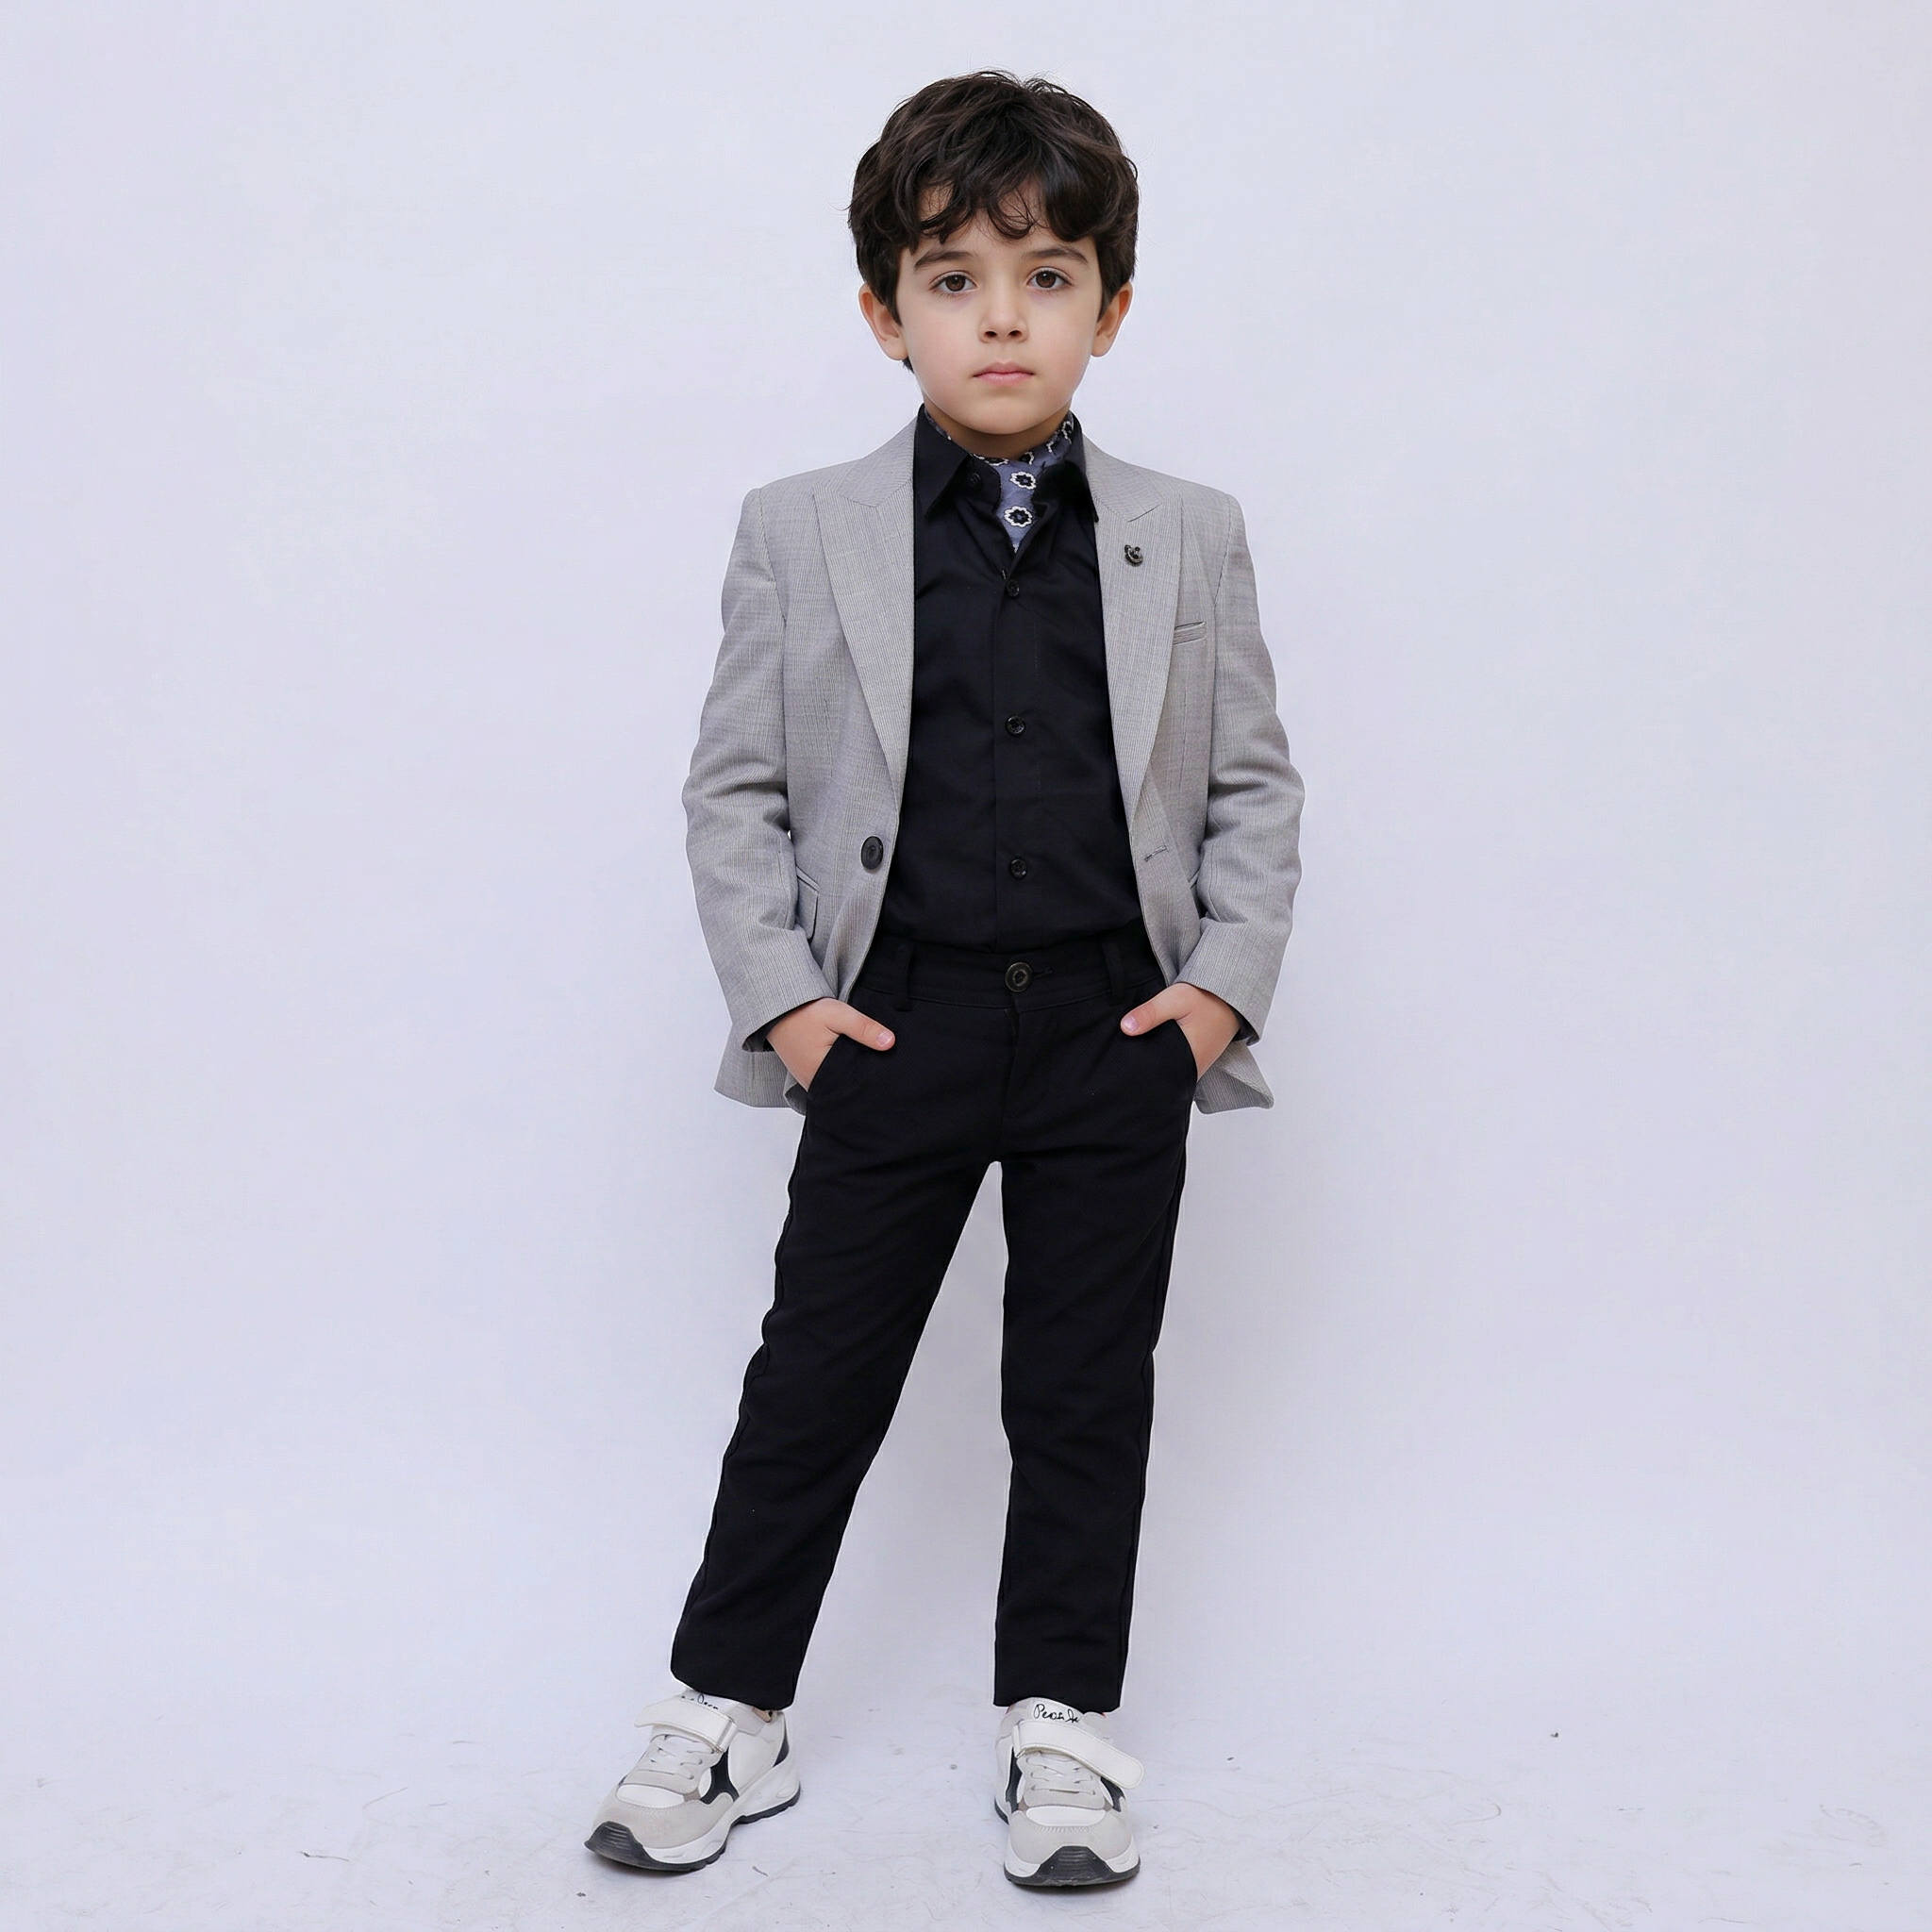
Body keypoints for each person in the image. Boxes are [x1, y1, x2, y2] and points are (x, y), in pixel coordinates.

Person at [586, 70, 1304, 1890]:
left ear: (1109, 310)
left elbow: (1251, 785)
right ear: (884, 311)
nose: (1002, 316)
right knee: (813, 1380)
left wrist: (1214, 996)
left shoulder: (1189, 530)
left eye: (1047, 277)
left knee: (1082, 1389)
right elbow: (734, 792)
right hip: (891, 1023)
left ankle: (1060, 1722)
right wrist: (791, 1008)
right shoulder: (800, 526)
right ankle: (727, 1708)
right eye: (954, 276)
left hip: (1112, 1029)